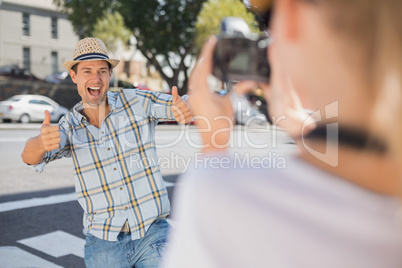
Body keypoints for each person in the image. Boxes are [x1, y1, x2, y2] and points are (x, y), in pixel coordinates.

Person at [162, 0, 402, 267]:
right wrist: (302, 129)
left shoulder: (225, 194)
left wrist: (213, 147)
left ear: (291, 14)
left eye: (267, 18)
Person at [21, 37, 192, 268]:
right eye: (87, 71)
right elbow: (29, 157)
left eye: (102, 70)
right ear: (74, 76)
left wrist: (185, 108)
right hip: (103, 243)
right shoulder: (68, 127)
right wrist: (41, 142)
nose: (96, 78)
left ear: (110, 74)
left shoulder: (135, 101)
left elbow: (180, 103)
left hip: (152, 233)